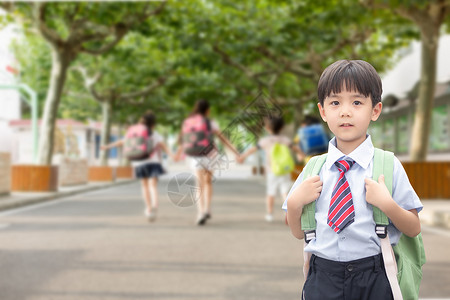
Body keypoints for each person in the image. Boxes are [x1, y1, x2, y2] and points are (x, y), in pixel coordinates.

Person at [283, 60, 423, 299]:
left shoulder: (388, 165)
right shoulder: (314, 168)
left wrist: (387, 205)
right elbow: (298, 232)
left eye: (357, 102)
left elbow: (413, 227)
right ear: (323, 112)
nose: (345, 111)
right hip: (323, 275)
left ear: (375, 110)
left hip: (375, 275)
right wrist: (295, 203)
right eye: (335, 102)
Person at [101, 111, 175, 222]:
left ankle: (149, 209)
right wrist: (173, 156)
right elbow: (164, 147)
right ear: (153, 124)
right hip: (154, 163)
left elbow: (122, 142)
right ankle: (155, 205)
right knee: (153, 186)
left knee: (144, 186)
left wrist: (107, 146)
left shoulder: (134, 134)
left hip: (139, 163)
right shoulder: (154, 134)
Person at [175, 100, 240, 225]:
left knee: (199, 185)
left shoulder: (187, 122)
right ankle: (207, 209)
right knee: (208, 182)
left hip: (195, 155)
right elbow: (223, 139)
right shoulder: (211, 122)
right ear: (207, 110)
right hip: (210, 154)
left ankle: (200, 213)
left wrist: (177, 155)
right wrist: (235, 152)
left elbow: (183, 140)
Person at [237, 115, 304, 222]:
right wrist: (301, 155)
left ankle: (269, 214)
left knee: (271, 193)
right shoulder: (284, 139)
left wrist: (242, 157)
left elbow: (253, 149)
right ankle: (287, 212)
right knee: (285, 192)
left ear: (267, 128)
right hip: (284, 169)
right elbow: (295, 148)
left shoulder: (265, 141)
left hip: (272, 171)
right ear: (281, 128)